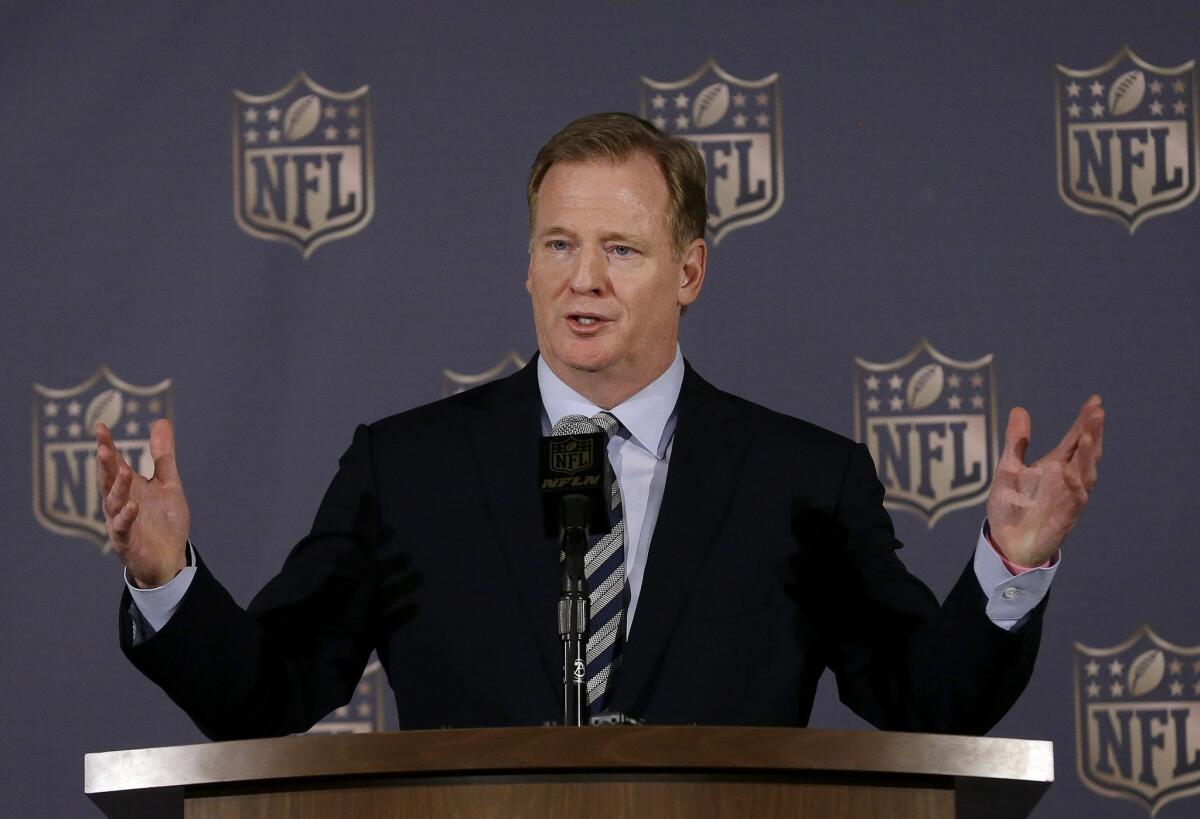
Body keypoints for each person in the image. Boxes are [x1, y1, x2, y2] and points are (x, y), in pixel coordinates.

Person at [97, 113, 1104, 739]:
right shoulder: (408, 468)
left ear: (691, 272)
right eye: (559, 244)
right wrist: (166, 577)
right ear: (528, 265)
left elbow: (925, 701)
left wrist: (1008, 567)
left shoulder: (804, 479)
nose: (583, 279)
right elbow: (266, 693)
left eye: (621, 249)